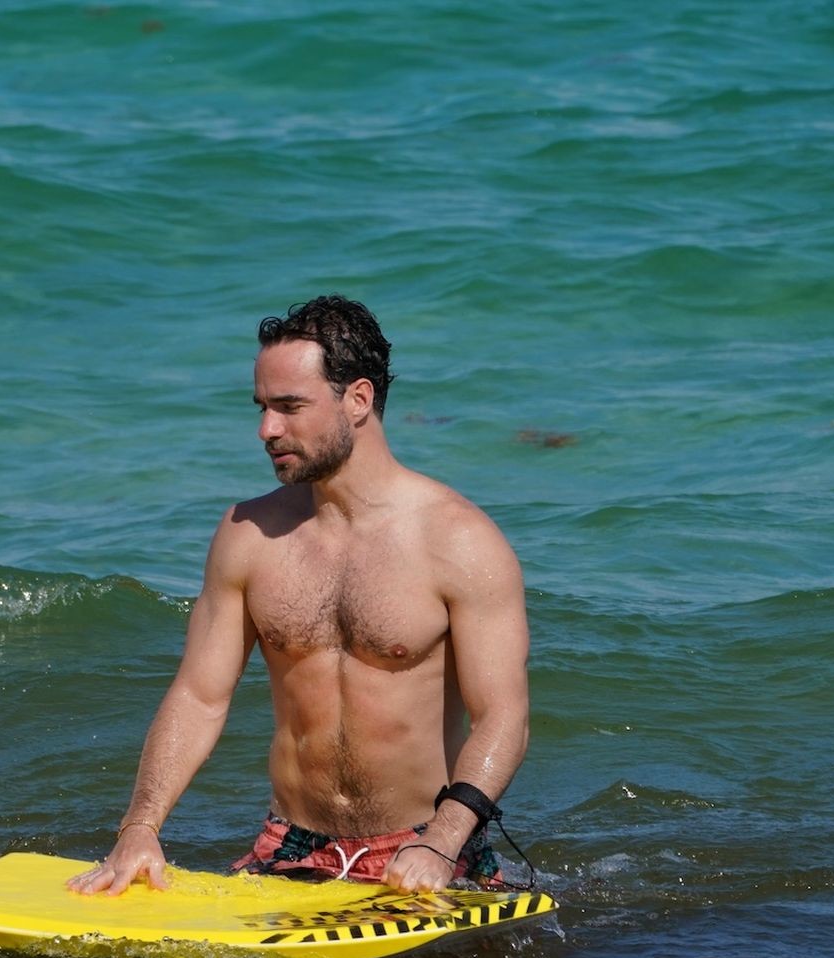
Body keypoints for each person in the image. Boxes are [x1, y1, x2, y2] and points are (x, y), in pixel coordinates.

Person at [69, 295, 529, 898]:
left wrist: (442, 842)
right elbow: (199, 696)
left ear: (357, 400)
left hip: (424, 850)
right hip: (290, 847)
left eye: (289, 407)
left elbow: (503, 718)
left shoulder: (459, 541)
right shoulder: (248, 535)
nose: (267, 430)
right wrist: (140, 827)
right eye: (262, 408)